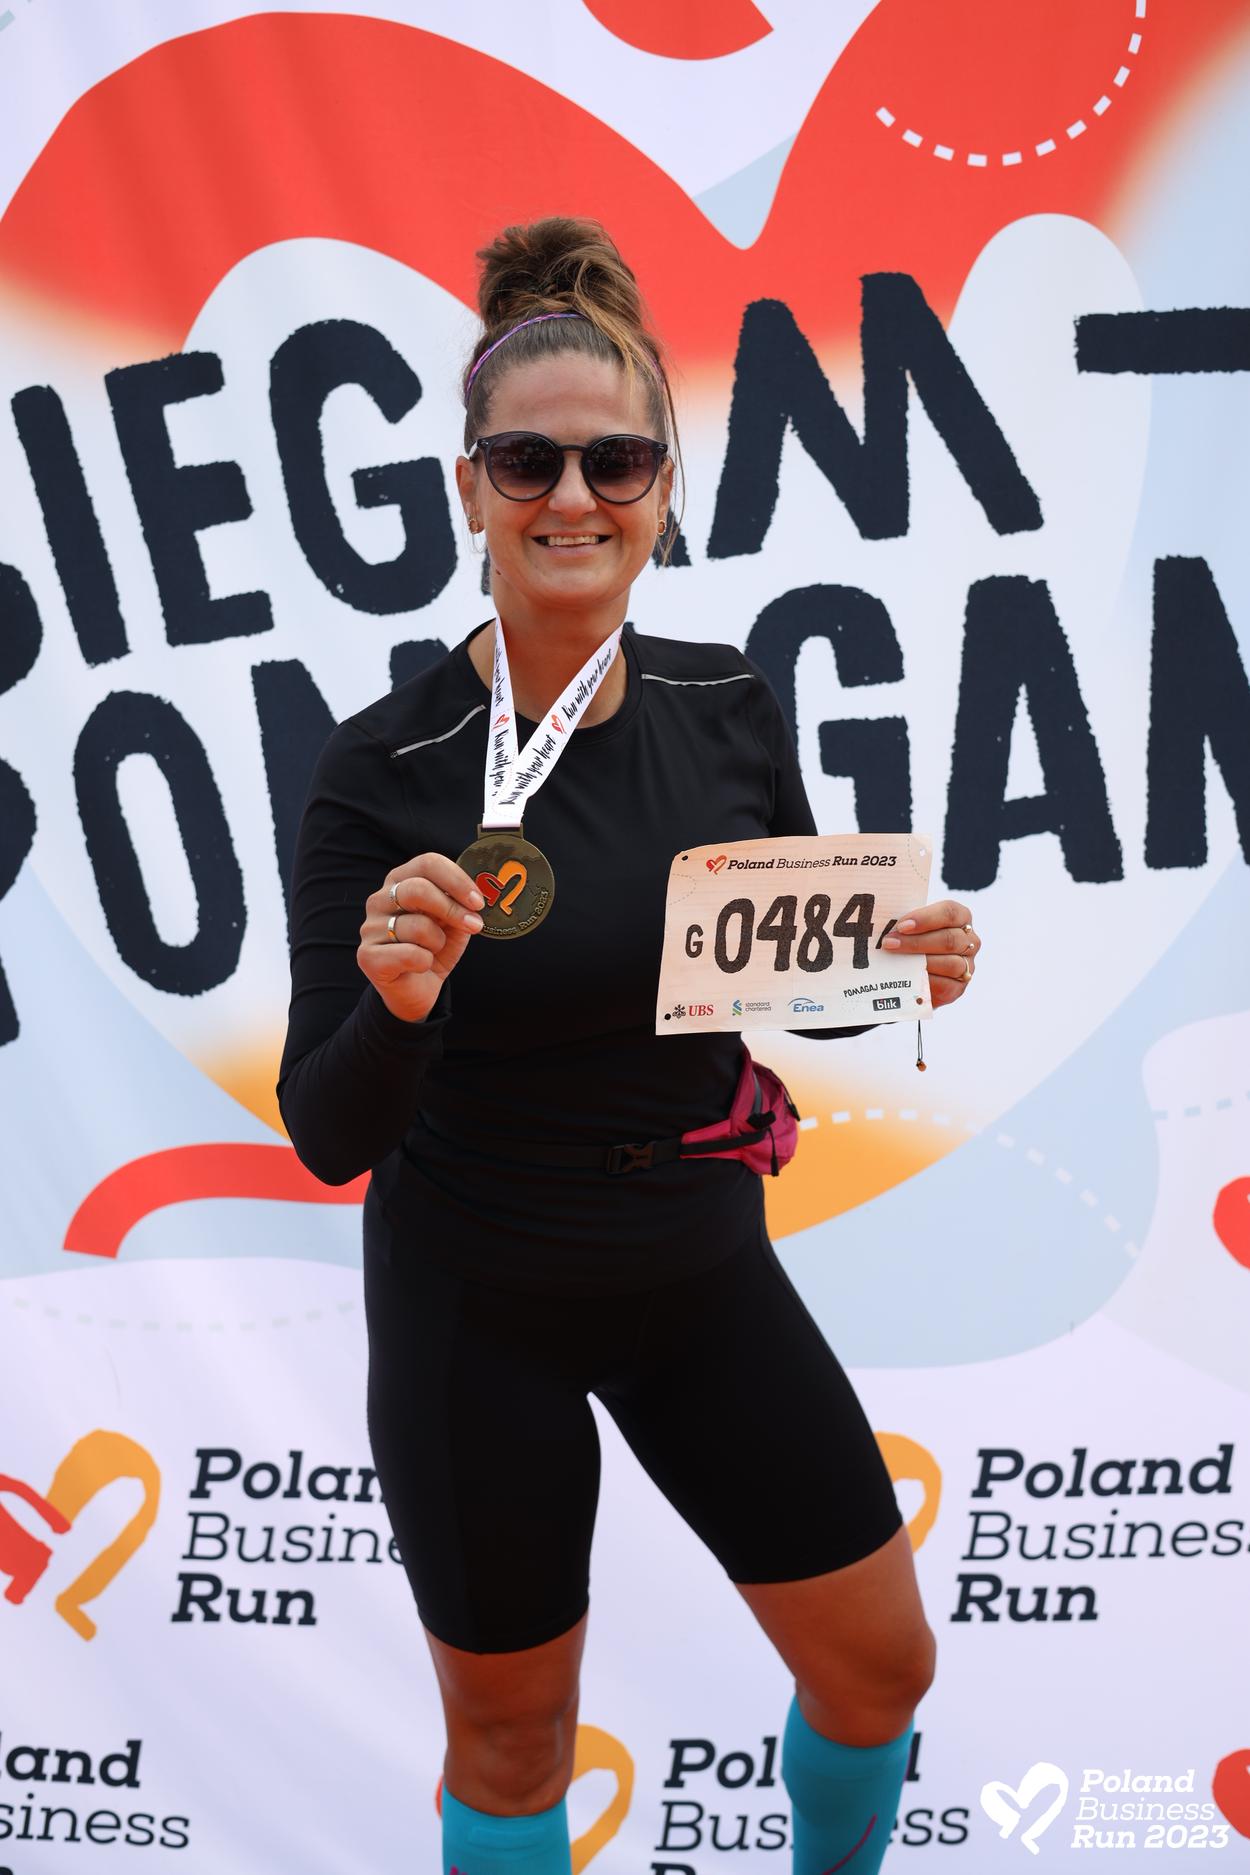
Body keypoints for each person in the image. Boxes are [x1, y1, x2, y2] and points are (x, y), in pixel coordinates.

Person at [277, 217, 981, 1875]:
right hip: (476, 1300)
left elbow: (781, 971)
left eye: (615, 461)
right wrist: (396, 1004)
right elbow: (327, 1131)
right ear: (468, 489)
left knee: (879, 1671)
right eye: (527, 462)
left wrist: (900, 968)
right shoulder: (382, 768)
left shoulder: (726, 701)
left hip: (692, 1268)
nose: (571, 498)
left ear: (665, 488)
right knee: (512, 1744)